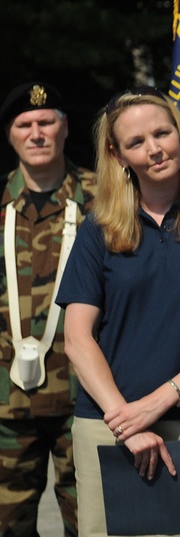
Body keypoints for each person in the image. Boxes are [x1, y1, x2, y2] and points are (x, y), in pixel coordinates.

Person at [57, 88, 180, 537]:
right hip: (110, 429)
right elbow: (77, 338)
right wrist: (126, 421)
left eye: (162, 133)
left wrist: (157, 403)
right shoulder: (97, 230)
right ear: (118, 155)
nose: (154, 148)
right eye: (136, 142)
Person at [0, 82, 96, 536]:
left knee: (94, 523)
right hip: (5, 403)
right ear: (11, 135)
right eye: (25, 124)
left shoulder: (106, 199)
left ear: (64, 127)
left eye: (46, 122)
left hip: (89, 396)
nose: (36, 133)